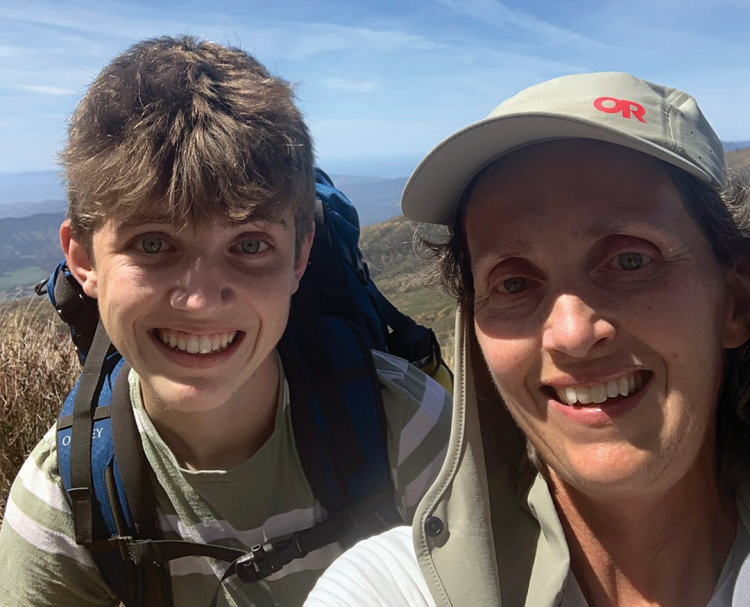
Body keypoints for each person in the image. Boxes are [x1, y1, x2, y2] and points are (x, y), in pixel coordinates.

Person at [0, 35, 452, 607]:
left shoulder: (411, 430)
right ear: (84, 260)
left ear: (300, 255)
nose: (201, 300)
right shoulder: (65, 512)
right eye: (154, 242)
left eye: (251, 243)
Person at [304, 72, 750, 607]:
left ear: (735, 302)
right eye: (514, 283)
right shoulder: (396, 588)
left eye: (632, 260)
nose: (572, 335)